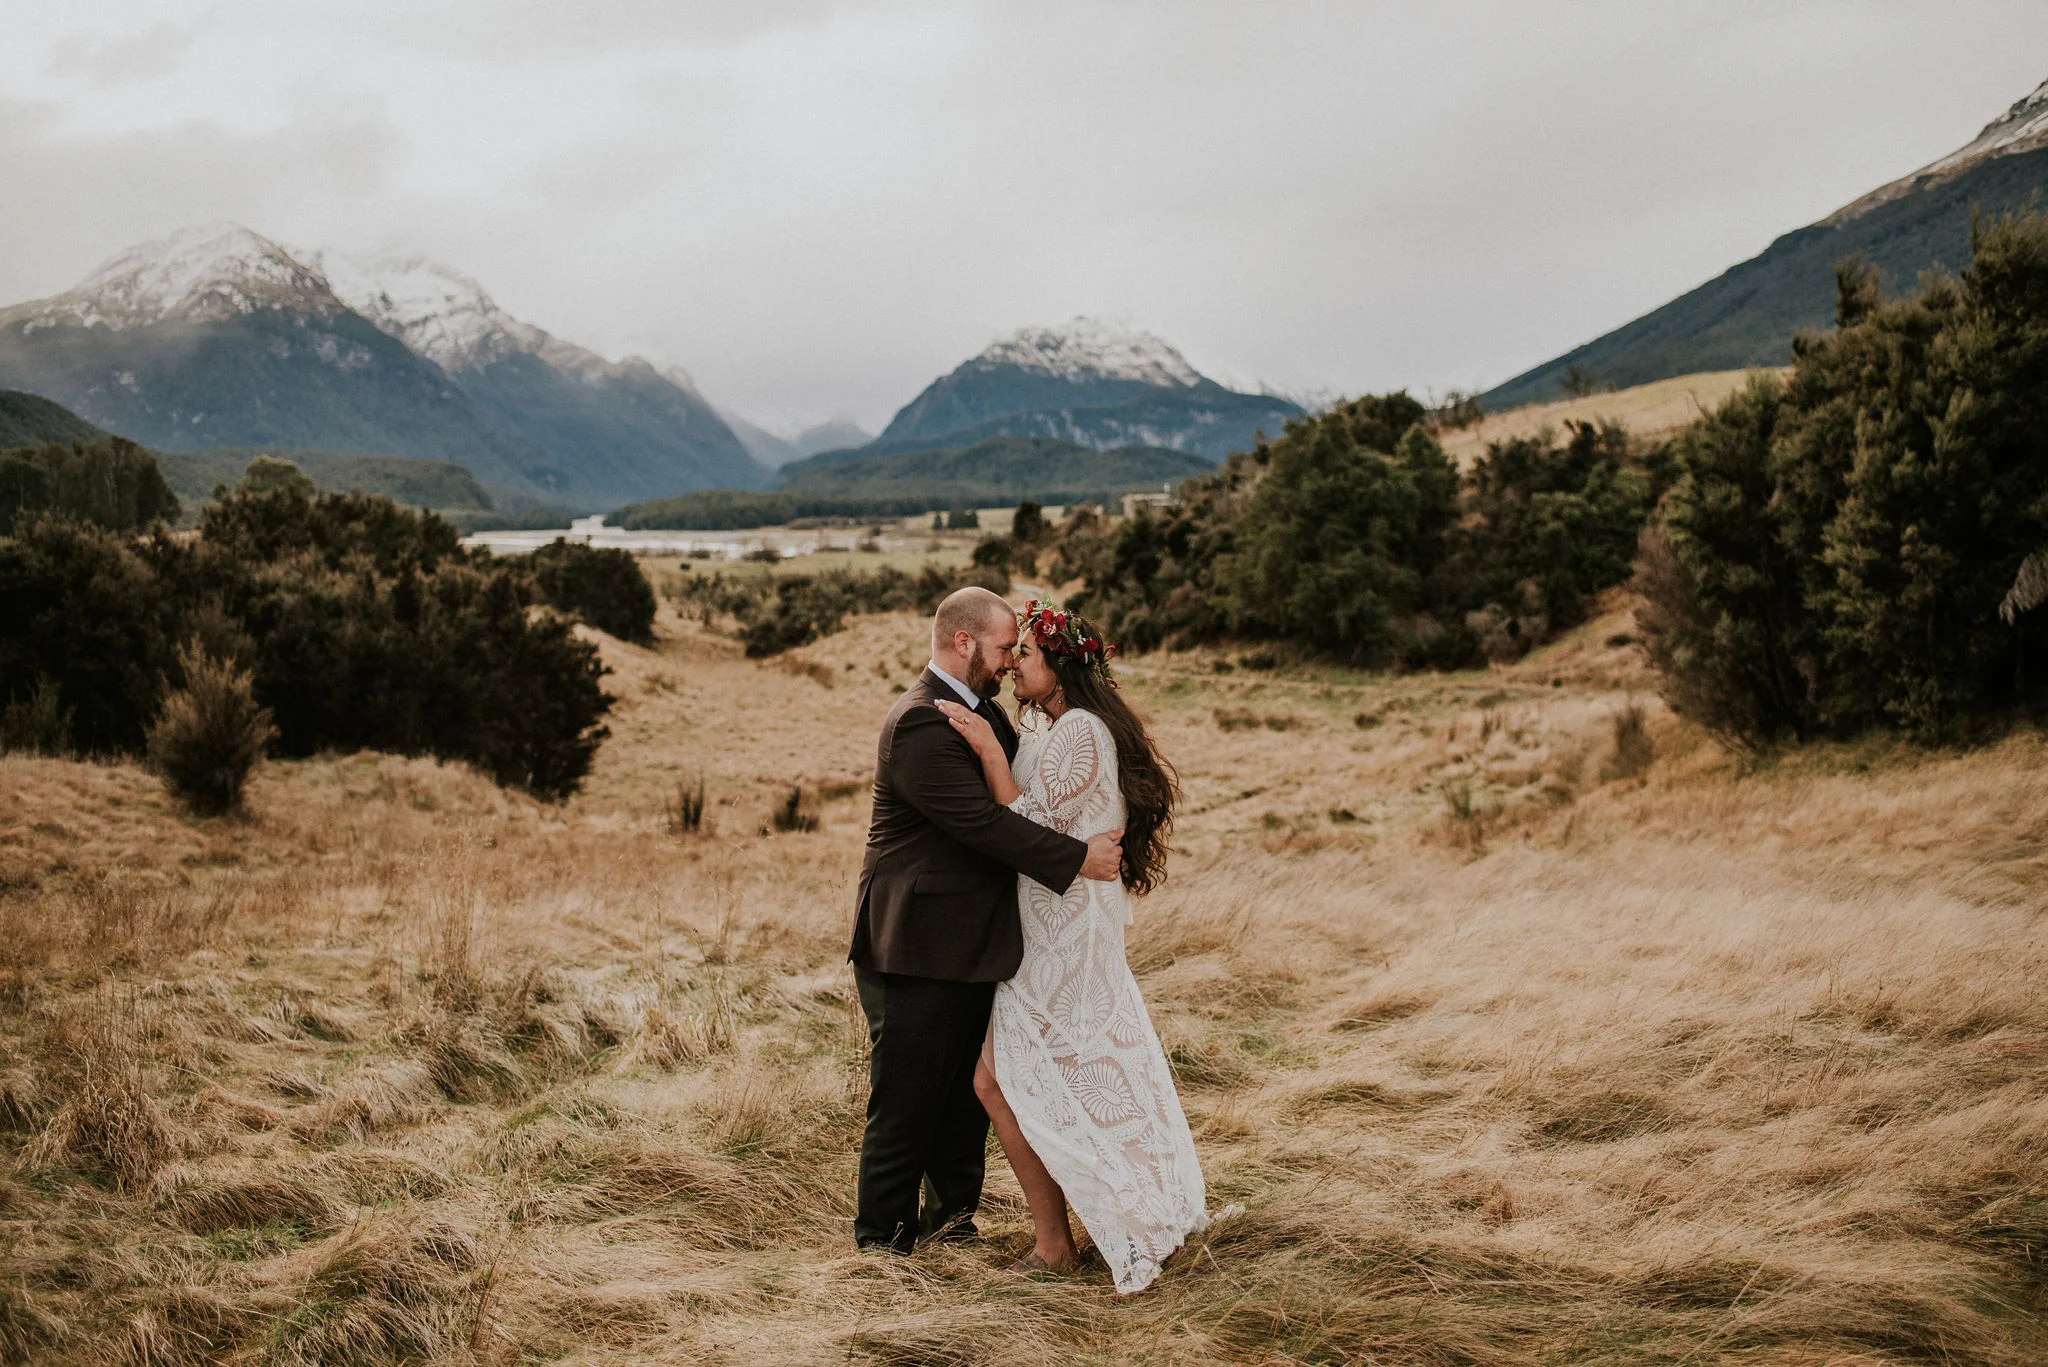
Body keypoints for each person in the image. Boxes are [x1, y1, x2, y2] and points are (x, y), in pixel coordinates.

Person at [934, 599, 1218, 1294]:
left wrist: (985, 749)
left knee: (1026, 1077)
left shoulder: (1082, 731)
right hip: (1045, 927)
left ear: (1058, 665)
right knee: (1043, 1076)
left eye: (1027, 653)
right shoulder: (1056, 725)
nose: (1016, 662)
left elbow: (1022, 822)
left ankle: (1075, 1235)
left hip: (1062, 937)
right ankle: (1077, 1229)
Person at [849, 586, 1126, 1254]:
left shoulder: (989, 716)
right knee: (907, 1100)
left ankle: (952, 1222)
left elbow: (1028, 795)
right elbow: (982, 825)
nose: (1008, 661)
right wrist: (1077, 859)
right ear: (963, 641)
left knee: (963, 1100)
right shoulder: (919, 720)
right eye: (1004, 647)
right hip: (912, 946)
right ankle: (880, 1242)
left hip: (975, 946)